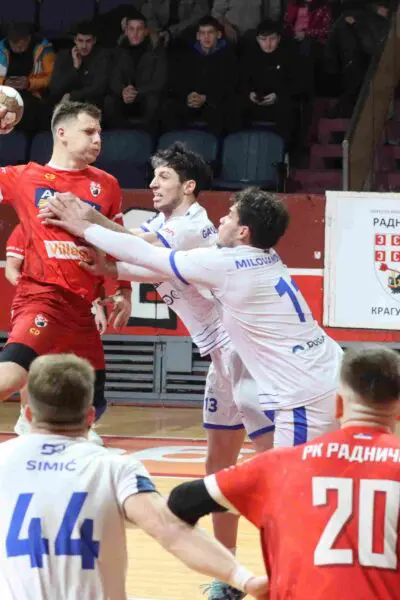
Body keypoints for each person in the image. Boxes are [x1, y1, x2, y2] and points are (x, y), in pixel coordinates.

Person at [79, 142, 275, 600]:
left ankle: (291, 565)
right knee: (218, 467)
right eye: (153, 176)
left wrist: (82, 218)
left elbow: (136, 252)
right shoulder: (163, 223)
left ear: (189, 186)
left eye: (163, 177)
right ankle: (230, 576)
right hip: (220, 359)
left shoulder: (192, 227)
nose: (152, 184)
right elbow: (131, 250)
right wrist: (107, 274)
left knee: (274, 464)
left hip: (243, 353)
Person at [40, 186, 343, 451]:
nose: (222, 219)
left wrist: (83, 227)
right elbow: (164, 269)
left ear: (243, 232)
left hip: (303, 393)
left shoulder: (225, 264)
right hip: (328, 370)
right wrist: (110, 270)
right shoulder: (266, 256)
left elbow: (146, 254)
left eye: (230, 216)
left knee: (294, 484)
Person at [0, 352, 268, 599]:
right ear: (91, 415)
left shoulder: (4, 458)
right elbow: (172, 530)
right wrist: (244, 579)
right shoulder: (114, 468)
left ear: (29, 414)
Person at [168, 346, 400, 600]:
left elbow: (180, 502)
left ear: (338, 405)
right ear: (398, 410)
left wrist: (241, 579)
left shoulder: (280, 465)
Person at [0, 101, 132, 445]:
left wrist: (123, 290)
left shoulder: (106, 184)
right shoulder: (24, 177)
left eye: (99, 132)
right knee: (10, 376)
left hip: (82, 309)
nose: (97, 139)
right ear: (62, 133)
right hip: (42, 297)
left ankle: (36, 430)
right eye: (89, 131)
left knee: (93, 403)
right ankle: (30, 423)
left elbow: (120, 243)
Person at [103, 13, 167, 132]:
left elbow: (159, 82)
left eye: (139, 29)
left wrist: (136, 92)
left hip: (144, 97)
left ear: (146, 31)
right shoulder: (118, 52)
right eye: (131, 29)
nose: (135, 33)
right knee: (109, 101)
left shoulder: (157, 52)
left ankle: (147, 137)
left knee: (154, 101)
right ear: (126, 31)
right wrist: (122, 91)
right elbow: (113, 79)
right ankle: (120, 135)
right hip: (124, 97)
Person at [0, 22, 55, 132]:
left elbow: (52, 77)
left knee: (28, 107)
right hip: (3, 92)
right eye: (14, 46)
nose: (17, 49)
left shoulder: (44, 49)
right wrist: (4, 82)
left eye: (21, 46)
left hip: (33, 93)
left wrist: (30, 83)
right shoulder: (1, 49)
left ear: (28, 39)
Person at [49, 21, 110, 108]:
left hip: (90, 104)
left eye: (88, 41)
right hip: (64, 104)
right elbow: (55, 88)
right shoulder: (63, 56)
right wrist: (75, 68)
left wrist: (72, 96)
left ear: (94, 41)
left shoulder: (101, 57)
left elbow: (99, 88)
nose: (84, 46)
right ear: (75, 40)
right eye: (80, 41)